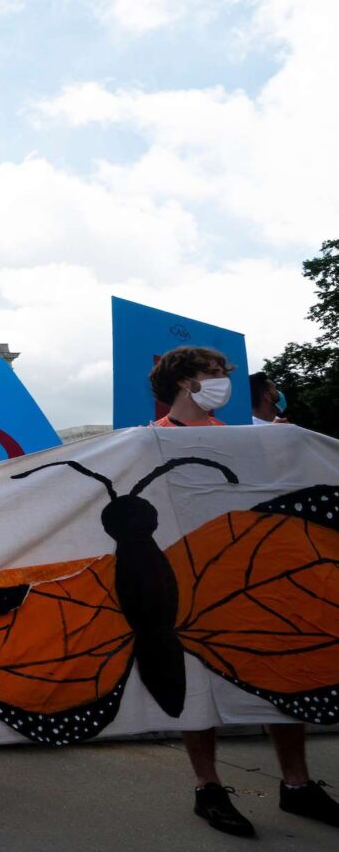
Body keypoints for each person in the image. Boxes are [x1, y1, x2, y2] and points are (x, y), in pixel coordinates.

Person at [148, 346, 339, 834]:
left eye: (221, 373)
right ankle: (207, 787)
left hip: (253, 574)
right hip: (189, 584)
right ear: (183, 381)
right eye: (211, 373)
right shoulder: (150, 442)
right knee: (196, 686)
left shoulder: (250, 438)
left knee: (283, 670)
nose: (222, 380)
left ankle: (297, 785)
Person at [149, 346, 233, 429]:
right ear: (184, 381)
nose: (224, 379)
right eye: (214, 372)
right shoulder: (153, 437)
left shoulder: (227, 432)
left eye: (225, 374)